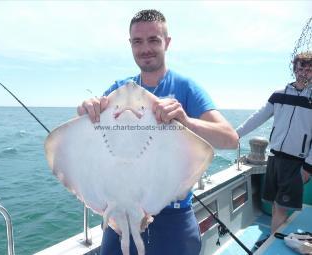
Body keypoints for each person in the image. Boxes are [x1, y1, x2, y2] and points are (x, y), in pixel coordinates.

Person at [77, 9, 238, 255]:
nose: (145, 48)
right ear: (130, 44)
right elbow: (91, 146)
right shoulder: (117, 90)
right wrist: (87, 111)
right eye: (138, 41)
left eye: (153, 39)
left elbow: (230, 139)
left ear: (167, 42)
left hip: (174, 214)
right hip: (120, 215)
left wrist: (185, 120)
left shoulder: (186, 88)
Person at [236, 51, 312, 247]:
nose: (305, 70)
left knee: (280, 207)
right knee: (275, 204)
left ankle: (273, 244)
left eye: (310, 67)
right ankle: (273, 239)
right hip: (275, 158)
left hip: (297, 163)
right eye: (301, 66)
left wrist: (308, 167)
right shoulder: (279, 94)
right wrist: (235, 134)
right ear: (295, 68)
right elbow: (258, 117)